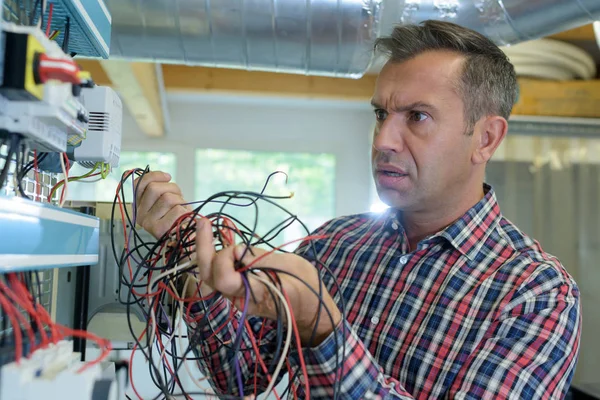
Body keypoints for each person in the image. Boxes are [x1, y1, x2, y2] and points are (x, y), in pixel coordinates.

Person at [134, 20, 581, 399]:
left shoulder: (535, 294)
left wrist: (321, 325)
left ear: (485, 138)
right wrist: (194, 263)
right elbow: (243, 378)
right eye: (380, 115)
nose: (384, 140)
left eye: (417, 117)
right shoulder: (334, 243)